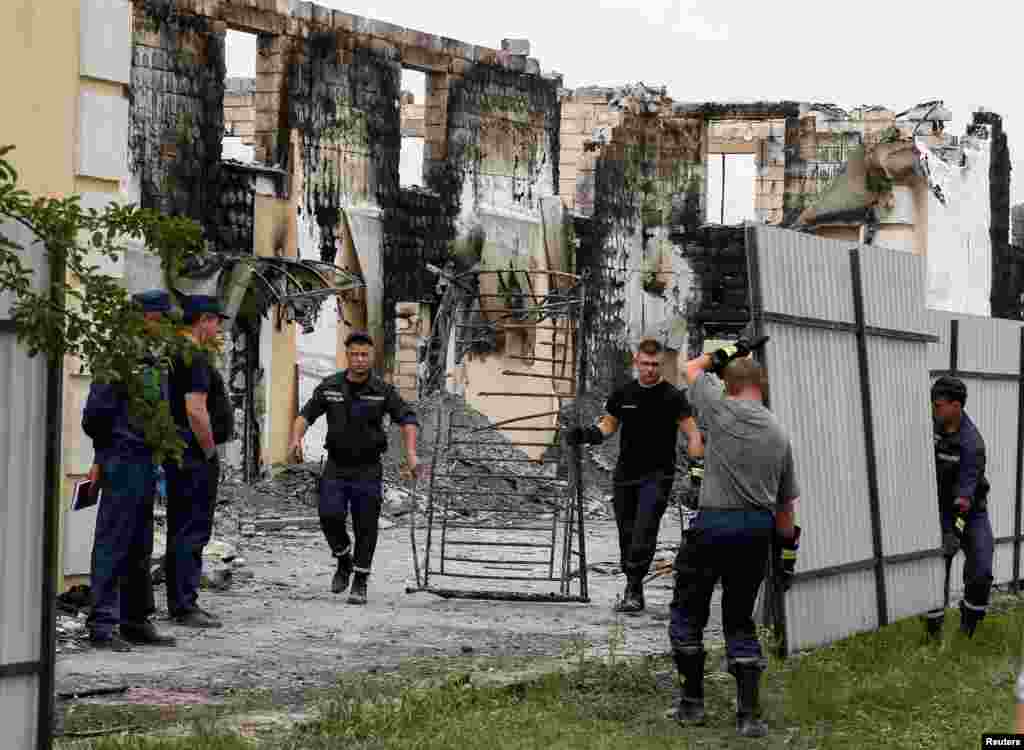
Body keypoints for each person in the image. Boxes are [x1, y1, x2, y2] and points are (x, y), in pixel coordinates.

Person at [668, 339, 800, 738]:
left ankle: (692, 705)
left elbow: (691, 368)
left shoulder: (719, 408)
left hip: (712, 527)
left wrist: (730, 348)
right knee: (740, 620)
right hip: (754, 535)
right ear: (762, 386)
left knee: (689, 612)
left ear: (728, 384)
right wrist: (787, 557)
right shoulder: (779, 435)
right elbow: (786, 510)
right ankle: (749, 717)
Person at [569, 338, 703, 614]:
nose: (650, 370)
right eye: (645, 364)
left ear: (661, 364)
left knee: (644, 531)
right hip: (625, 475)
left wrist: (696, 470)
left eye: (655, 365)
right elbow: (607, 427)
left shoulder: (673, 397)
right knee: (626, 533)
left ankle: (633, 589)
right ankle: (634, 585)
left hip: (658, 475)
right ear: (636, 363)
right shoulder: (623, 394)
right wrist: (585, 435)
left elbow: (692, 434)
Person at [288, 331, 419, 605]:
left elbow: (407, 419)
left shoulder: (383, 391)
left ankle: (360, 580)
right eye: (354, 354)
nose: (359, 360)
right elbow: (305, 415)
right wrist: (295, 439)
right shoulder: (331, 386)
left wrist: (411, 454)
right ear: (346, 356)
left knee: (366, 526)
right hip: (336, 465)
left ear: (371, 357)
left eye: (364, 355)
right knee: (328, 515)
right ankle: (343, 559)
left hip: (368, 468)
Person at [81, 290, 177, 650]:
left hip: (146, 460)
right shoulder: (119, 356)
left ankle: (135, 619)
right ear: (145, 317)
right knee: (113, 542)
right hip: (122, 457)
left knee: (140, 544)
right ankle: (103, 625)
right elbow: (95, 416)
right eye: (162, 316)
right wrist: (105, 453)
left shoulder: (157, 357)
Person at [164, 294, 229, 629]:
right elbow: (195, 409)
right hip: (194, 455)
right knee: (193, 528)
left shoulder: (172, 352)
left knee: (179, 526)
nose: (218, 328)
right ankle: (185, 605)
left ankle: (179, 601)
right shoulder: (195, 357)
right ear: (204, 320)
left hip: (176, 451)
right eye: (216, 321)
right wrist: (209, 450)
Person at [926, 375, 993, 638]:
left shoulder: (972, 444)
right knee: (934, 569)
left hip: (969, 511)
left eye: (939, 405)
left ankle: (968, 629)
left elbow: (963, 502)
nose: (934, 409)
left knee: (981, 567)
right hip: (935, 508)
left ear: (956, 406)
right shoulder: (929, 426)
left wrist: (952, 533)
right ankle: (932, 635)